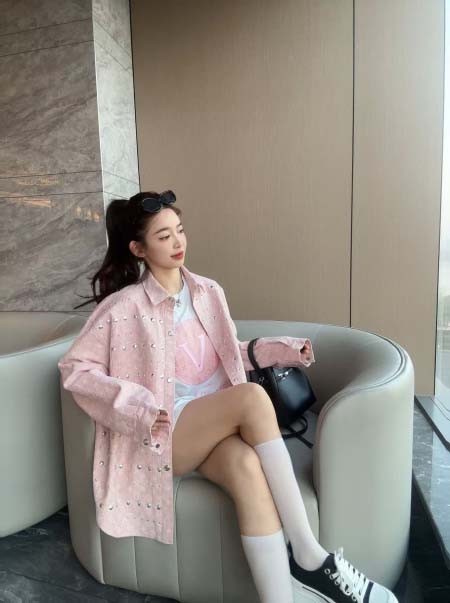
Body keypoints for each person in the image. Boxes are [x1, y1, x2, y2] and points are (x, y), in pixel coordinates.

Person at [62, 190, 398, 603]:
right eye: (164, 236)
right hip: (167, 432)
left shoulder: (208, 292)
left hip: (213, 423)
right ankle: (310, 555)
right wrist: (137, 408)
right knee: (251, 398)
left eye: (180, 230)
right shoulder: (124, 307)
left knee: (246, 469)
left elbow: (226, 353)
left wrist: (283, 350)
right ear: (138, 249)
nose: (178, 242)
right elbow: (75, 369)